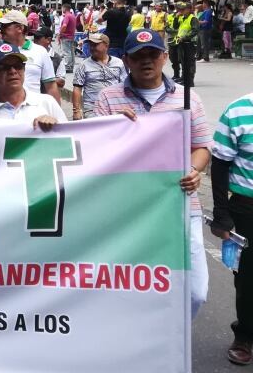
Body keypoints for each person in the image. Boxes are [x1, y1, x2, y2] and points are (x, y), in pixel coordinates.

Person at [94, 29, 210, 319]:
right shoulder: (109, 99)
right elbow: (94, 152)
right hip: (128, 211)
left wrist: (194, 170)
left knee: (195, 291)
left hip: (180, 206)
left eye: (153, 54)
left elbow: (202, 147)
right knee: (130, 290)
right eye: (138, 56)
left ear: (165, 57)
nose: (147, 61)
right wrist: (112, 129)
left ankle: (173, 339)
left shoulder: (188, 99)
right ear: (127, 61)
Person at [209, 91, 253, 364]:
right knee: (248, 278)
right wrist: (221, 214)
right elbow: (220, 165)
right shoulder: (237, 111)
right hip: (246, 208)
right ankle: (246, 334)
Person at [0, 43, 66, 129]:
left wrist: (55, 127)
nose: (13, 71)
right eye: (4, 68)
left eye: (18, 66)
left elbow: (69, 140)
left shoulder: (47, 103)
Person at [0, 10, 59, 104]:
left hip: (32, 112)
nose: (0, 30)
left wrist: (56, 114)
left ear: (19, 28)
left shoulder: (40, 52)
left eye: (5, 26)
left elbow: (51, 86)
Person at [70, 33, 126, 120]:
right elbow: (77, 88)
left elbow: (124, 86)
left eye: (96, 45)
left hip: (115, 107)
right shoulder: (83, 65)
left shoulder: (119, 63)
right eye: (90, 45)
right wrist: (76, 111)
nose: (92, 48)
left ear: (106, 46)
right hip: (92, 108)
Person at [59, 4, 77, 73]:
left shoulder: (67, 16)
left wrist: (60, 33)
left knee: (66, 52)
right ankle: (71, 66)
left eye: (62, 8)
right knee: (71, 52)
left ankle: (68, 66)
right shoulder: (72, 16)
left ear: (65, 8)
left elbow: (64, 26)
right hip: (71, 36)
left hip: (66, 36)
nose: (61, 10)